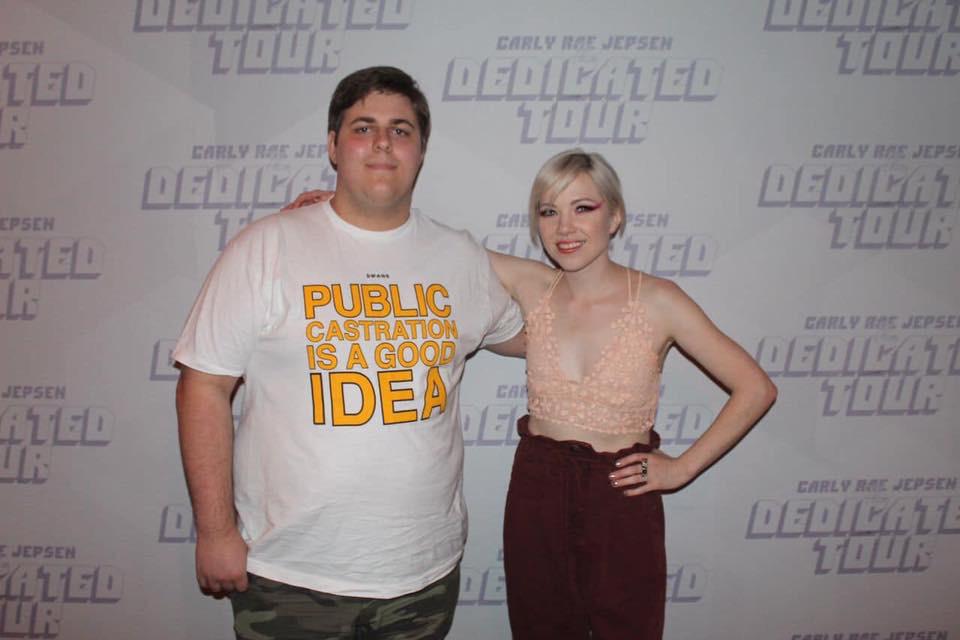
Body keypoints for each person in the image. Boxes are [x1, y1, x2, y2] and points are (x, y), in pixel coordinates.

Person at [285, 150, 776, 639]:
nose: (565, 227)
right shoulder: (532, 284)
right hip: (538, 485)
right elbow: (431, 245)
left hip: (620, 493)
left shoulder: (659, 299)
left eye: (583, 208)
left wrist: (682, 468)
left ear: (615, 216)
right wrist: (353, 211)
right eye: (549, 211)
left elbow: (755, 388)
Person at [173, 66, 524, 640]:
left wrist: (599, 280)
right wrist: (215, 532)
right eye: (364, 127)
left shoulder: (459, 256)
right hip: (290, 575)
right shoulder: (267, 246)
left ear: (421, 150)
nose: (383, 142)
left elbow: (538, 336)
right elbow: (203, 387)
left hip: (423, 575)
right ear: (334, 146)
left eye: (401, 130)